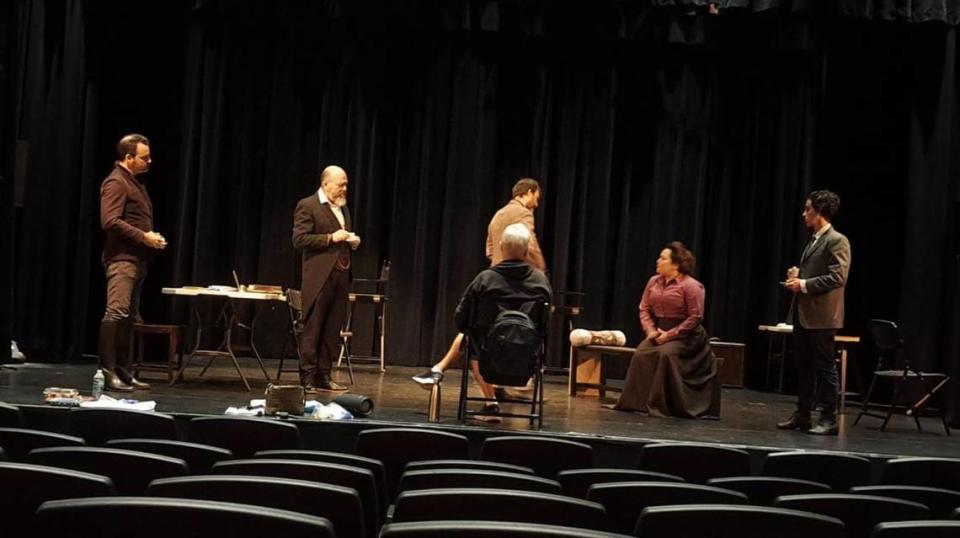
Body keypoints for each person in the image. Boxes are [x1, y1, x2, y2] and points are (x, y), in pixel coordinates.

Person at [412, 178, 547, 390]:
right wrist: (539, 272)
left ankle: (442, 371)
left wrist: (498, 265)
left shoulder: (499, 214)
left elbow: (489, 249)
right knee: (501, 331)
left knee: (475, 327)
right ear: (528, 192)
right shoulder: (523, 214)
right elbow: (531, 245)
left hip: (494, 284)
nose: (537, 205)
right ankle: (504, 382)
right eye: (536, 198)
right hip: (515, 287)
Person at [609, 242, 720, 418]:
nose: (658, 260)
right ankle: (637, 403)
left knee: (665, 354)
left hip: (687, 336)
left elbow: (695, 317)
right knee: (641, 353)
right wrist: (651, 331)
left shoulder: (692, 286)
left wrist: (670, 335)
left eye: (663, 258)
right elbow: (644, 308)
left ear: (675, 264)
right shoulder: (653, 281)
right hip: (659, 330)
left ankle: (661, 405)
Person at [452, 223, 552, 417]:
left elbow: (461, 320)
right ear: (526, 250)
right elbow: (546, 326)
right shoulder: (541, 282)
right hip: (525, 356)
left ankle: (490, 403)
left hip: (487, 357)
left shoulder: (484, 280)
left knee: (473, 345)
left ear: (502, 247)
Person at [777, 190, 851, 436]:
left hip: (822, 317)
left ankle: (828, 418)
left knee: (824, 367)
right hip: (805, 315)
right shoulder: (815, 240)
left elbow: (838, 276)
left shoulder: (837, 240)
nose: (804, 214)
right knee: (804, 366)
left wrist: (804, 285)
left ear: (819, 212)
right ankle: (803, 414)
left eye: (808, 209)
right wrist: (798, 277)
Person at [97, 133, 165, 392]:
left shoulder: (135, 183)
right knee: (116, 313)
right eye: (144, 157)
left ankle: (124, 370)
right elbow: (110, 221)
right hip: (122, 260)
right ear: (128, 157)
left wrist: (150, 240)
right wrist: (144, 237)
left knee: (127, 318)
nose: (149, 161)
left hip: (137, 260)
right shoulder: (116, 183)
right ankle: (107, 371)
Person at [292, 165, 361, 392]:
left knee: (332, 329)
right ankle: (308, 378)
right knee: (313, 329)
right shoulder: (308, 205)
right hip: (319, 278)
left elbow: (341, 239)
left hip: (341, 276)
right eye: (341, 184)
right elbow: (300, 239)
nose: (344, 189)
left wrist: (351, 241)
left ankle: (324, 375)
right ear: (325, 184)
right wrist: (331, 237)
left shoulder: (343, 208)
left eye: (346, 185)